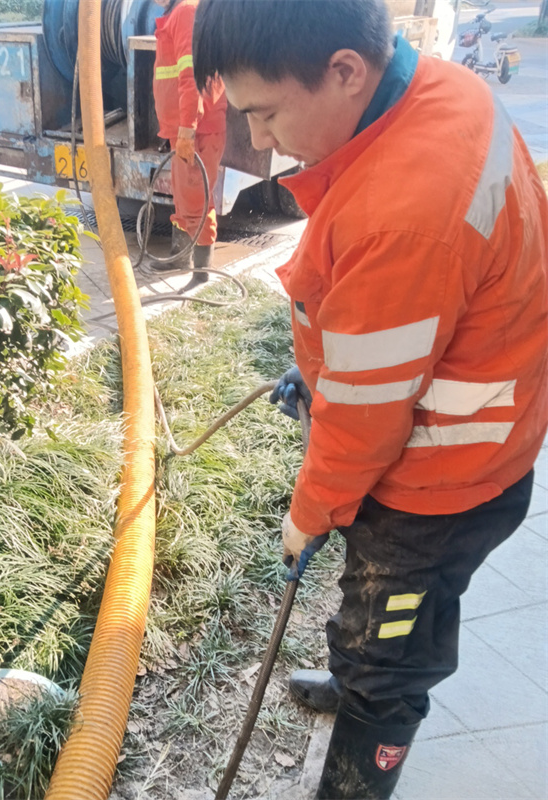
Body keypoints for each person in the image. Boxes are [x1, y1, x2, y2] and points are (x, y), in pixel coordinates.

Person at [193, 1, 548, 798]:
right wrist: (317, 375)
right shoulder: (442, 93)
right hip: (481, 409)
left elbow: (366, 419)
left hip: (441, 480)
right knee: (371, 614)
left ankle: (363, 745)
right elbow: (387, 335)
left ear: (345, 71)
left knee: (390, 649)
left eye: (267, 112)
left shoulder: (403, 211)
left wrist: (307, 515)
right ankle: (356, 670)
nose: (259, 141)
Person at [151, 0, 227, 289]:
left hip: (197, 131)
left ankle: (201, 274)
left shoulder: (185, 12)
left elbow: (190, 74)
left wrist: (187, 129)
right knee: (184, 197)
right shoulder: (179, 13)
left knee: (196, 201)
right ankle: (181, 257)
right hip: (186, 128)